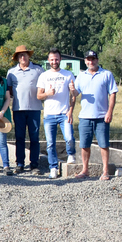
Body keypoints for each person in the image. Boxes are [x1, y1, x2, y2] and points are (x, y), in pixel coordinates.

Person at [73, 50, 118, 180]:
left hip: (102, 116)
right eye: (88, 59)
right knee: (84, 145)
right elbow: (76, 93)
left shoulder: (106, 74)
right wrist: (72, 90)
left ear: (97, 60)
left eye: (93, 59)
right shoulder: (81, 76)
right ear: (85, 61)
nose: (90, 62)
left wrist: (109, 112)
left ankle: (105, 171)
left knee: (103, 144)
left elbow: (113, 93)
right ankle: (85, 170)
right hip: (85, 116)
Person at [37, 50, 77, 179]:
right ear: (48, 61)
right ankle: (53, 167)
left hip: (64, 113)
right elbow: (39, 95)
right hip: (49, 115)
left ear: (60, 59)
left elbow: (73, 95)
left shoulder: (68, 74)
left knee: (69, 138)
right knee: (50, 143)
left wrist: (70, 111)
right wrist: (47, 93)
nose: (54, 62)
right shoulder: (44, 75)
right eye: (52, 59)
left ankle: (71, 154)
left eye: (57, 59)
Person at [6, 46, 44, 175]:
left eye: (25, 55)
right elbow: (9, 90)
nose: (23, 57)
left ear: (29, 56)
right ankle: (20, 164)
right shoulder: (11, 72)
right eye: (20, 55)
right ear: (17, 58)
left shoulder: (38, 70)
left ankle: (34, 164)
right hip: (18, 109)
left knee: (34, 137)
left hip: (34, 108)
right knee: (19, 137)